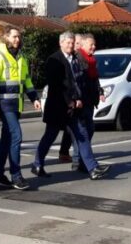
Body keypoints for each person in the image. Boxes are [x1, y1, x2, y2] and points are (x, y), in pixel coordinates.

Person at [0, 26, 41, 190]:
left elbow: (26, 80)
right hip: (4, 104)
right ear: (5, 37)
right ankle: (16, 175)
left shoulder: (20, 57)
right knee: (16, 136)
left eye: (19, 37)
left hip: (16, 104)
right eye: (14, 37)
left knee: (7, 139)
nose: (18, 39)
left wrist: (34, 98)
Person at [32, 32, 81, 177]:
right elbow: (57, 85)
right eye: (68, 42)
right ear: (61, 43)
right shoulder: (54, 59)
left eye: (72, 43)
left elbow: (75, 82)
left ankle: (82, 164)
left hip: (69, 107)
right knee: (50, 136)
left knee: (78, 134)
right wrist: (69, 101)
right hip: (57, 106)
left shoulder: (74, 59)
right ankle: (37, 164)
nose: (71, 45)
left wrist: (76, 98)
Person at [65, 34, 110, 180]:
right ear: (83, 45)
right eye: (91, 44)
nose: (94, 47)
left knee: (88, 131)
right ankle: (89, 166)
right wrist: (76, 98)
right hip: (79, 103)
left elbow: (94, 79)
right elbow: (76, 82)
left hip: (89, 101)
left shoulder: (91, 60)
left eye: (94, 44)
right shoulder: (78, 59)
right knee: (82, 135)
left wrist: (100, 92)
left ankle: (83, 163)